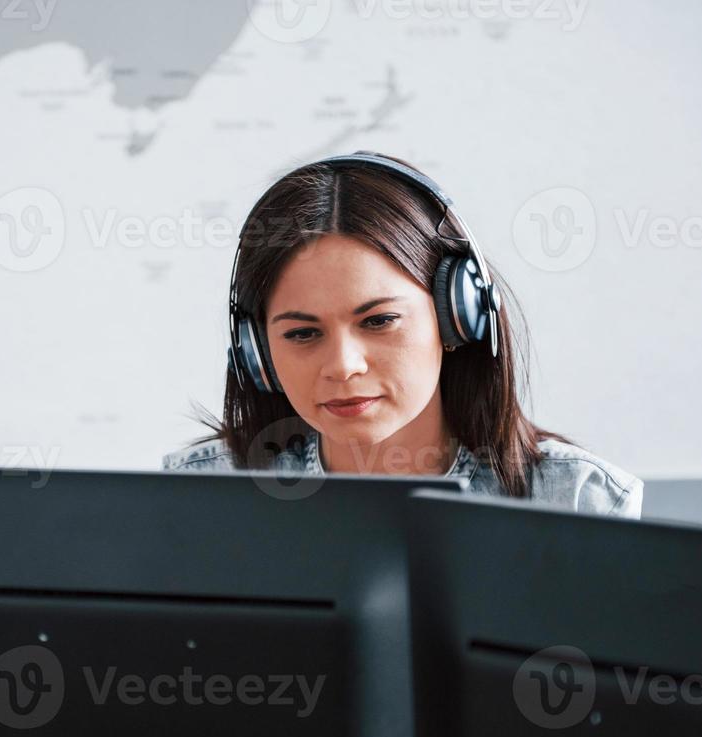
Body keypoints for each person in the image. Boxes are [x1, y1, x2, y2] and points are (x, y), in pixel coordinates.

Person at [164, 152, 642, 516]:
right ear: (257, 352)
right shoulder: (202, 493)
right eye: (304, 334)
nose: (344, 365)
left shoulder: (576, 500)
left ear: (458, 316)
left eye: (378, 321)